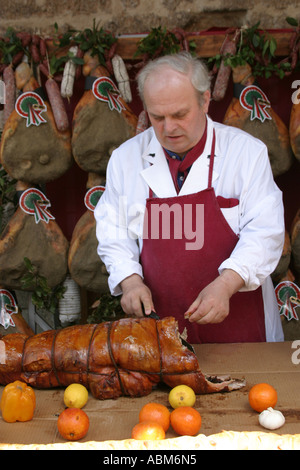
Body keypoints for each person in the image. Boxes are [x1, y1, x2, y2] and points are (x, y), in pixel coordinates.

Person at [94, 52, 285, 343]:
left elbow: (265, 232)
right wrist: (130, 281)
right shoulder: (125, 159)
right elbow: (113, 230)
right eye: (157, 117)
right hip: (162, 324)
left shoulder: (246, 153)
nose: (168, 128)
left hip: (238, 321)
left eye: (180, 115)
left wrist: (226, 284)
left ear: (205, 100)